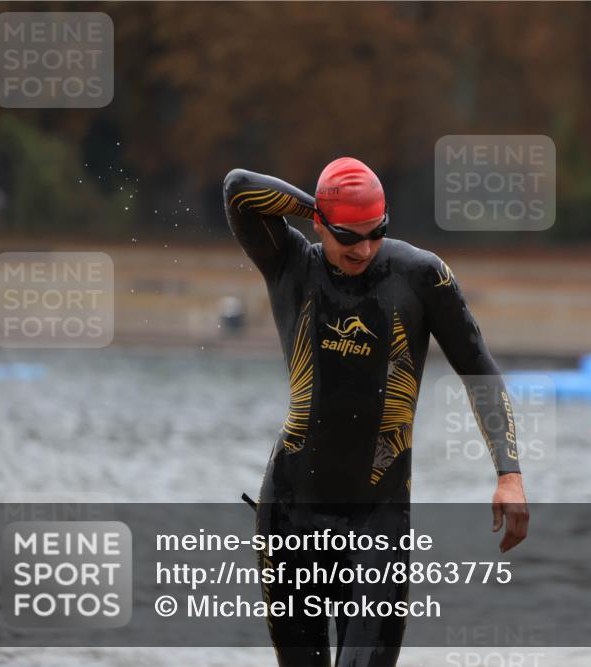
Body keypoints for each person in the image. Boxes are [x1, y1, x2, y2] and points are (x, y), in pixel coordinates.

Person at [222, 158, 529, 666]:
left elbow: (479, 367)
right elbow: (238, 188)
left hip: (376, 520)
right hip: (290, 513)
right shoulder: (290, 263)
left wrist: (509, 474)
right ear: (318, 224)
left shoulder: (421, 276)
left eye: (375, 232)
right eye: (348, 236)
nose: (363, 249)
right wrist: (318, 205)